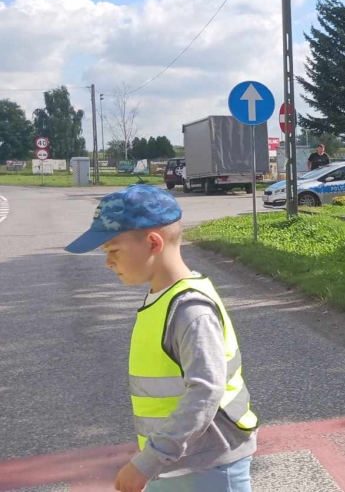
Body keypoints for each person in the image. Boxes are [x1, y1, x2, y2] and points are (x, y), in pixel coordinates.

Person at [64, 185, 257, 492]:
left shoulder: (190, 310)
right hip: (178, 462)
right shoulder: (163, 297)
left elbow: (205, 391)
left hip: (209, 465)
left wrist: (147, 462)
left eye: (113, 250)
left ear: (153, 243)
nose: (108, 262)